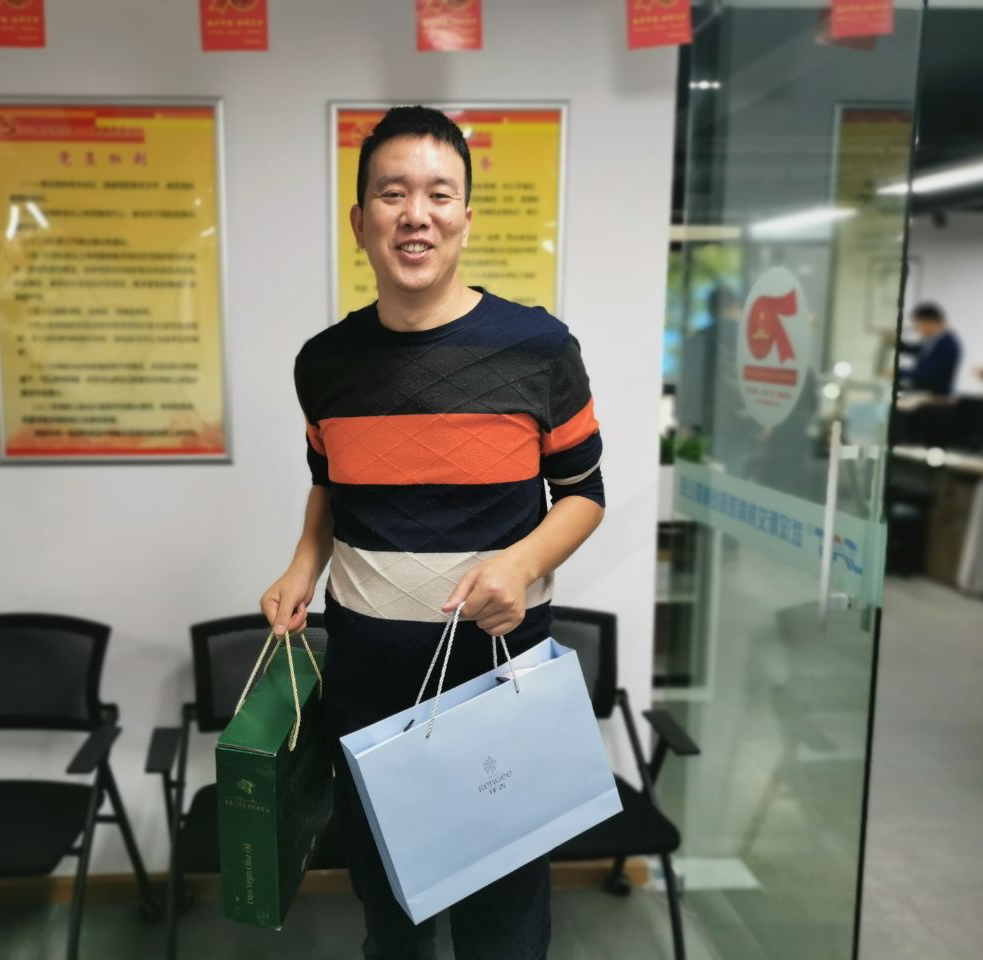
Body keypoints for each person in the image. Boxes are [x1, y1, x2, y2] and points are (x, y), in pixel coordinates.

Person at [260, 106, 606, 960]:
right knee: (393, 926)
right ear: (360, 221)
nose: (416, 214)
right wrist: (303, 563)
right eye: (392, 194)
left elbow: (584, 494)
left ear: (465, 217)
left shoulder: (538, 348)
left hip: (497, 684)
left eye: (438, 194)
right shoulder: (323, 363)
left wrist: (520, 564)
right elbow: (329, 481)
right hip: (367, 688)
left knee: (504, 931)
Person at [899, 301, 962, 396]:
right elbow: (918, 351)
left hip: (935, 396)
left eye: (918, 325)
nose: (917, 329)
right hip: (924, 392)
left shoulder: (947, 345)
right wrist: (896, 343)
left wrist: (897, 372)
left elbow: (928, 374)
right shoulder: (934, 340)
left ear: (930, 322)